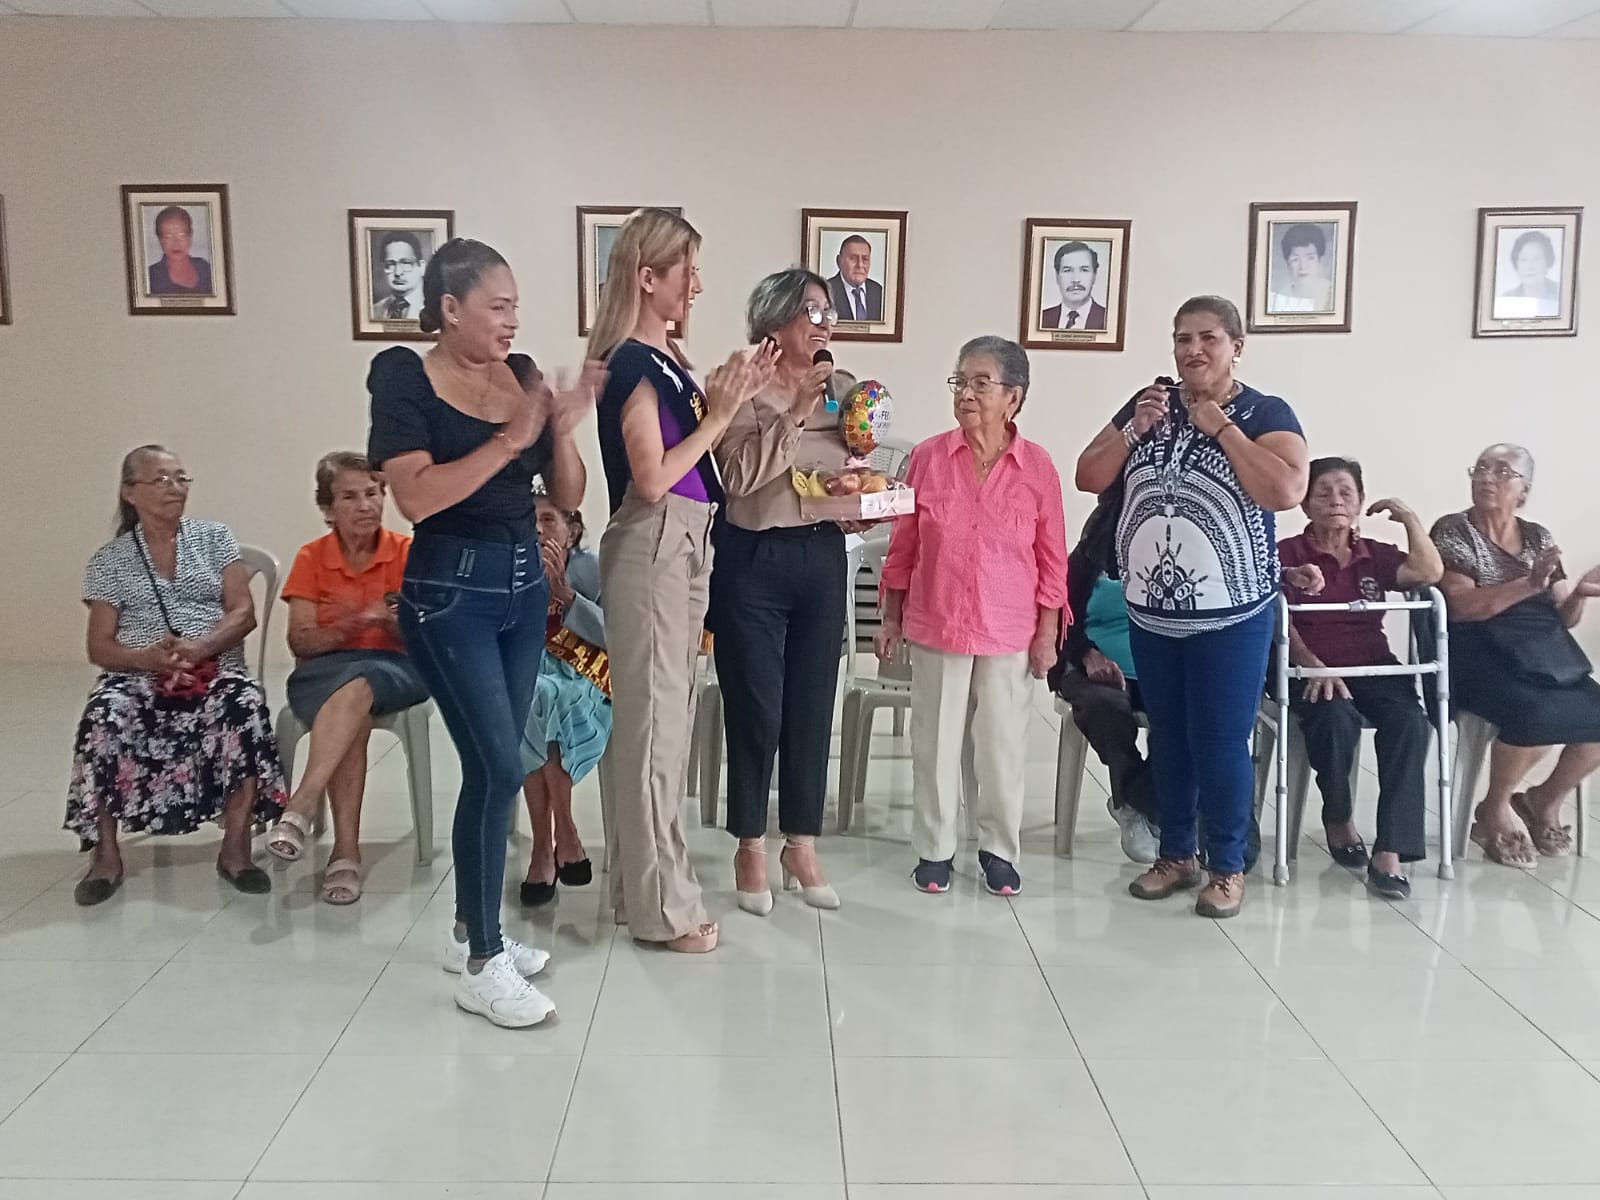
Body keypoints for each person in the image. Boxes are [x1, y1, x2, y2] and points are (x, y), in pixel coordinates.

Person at [367, 236, 600, 1028]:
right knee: (501, 766)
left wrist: (559, 428)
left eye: (515, 307)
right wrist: (510, 437)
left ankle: (473, 927)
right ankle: (483, 965)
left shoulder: (522, 374)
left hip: (522, 589)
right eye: (497, 307)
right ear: (450, 308)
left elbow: (567, 495)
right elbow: (416, 498)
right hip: (448, 595)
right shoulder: (403, 376)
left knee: (497, 765)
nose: (511, 321)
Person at [1076, 295, 1308, 919]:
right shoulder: (1149, 402)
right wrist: (1134, 429)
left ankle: (1226, 866)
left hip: (1232, 616)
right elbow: (1089, 475)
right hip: (1153, 612)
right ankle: (1175, 855)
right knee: (1170, 738)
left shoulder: (1265, 412)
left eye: (1208, 337)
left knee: (1221, 741)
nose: (1193, 350)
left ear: (1237, 346)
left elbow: (1287, 488)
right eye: (1183, 338)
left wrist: (1222, 429)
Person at [588, 207, 775, 953]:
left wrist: (736, 399)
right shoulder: (631, 362)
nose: (696, 286)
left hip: (687, 540)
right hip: (654, 540)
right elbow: (653, 476)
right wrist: (720, 411)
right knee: (655, 734)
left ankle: (637, 894)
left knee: (664, 726)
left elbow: (696, 457)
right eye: (685, 272)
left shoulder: (665, 357)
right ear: (647, 277)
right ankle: (663, 910)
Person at [879, 335, 1068, 896]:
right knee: (934, 744)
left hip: (1009, 629)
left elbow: (1052, 559)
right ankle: (935, 849)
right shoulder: (928, 458)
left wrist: (1048, 634)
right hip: (937, 621)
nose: (965, 393)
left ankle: (998, 851)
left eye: (981, 383)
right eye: (960, 382)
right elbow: (903, 546)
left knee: (1001, 747)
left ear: (1014, 397)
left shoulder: (1037, 467)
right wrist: (889, 617)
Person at [66, 445, 286, 906]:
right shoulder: (110, 560)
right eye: (162, 479)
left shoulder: (214, 538)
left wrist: (200, 648)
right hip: (138, 676)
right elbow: (99, 646)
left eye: (181, 478)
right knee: (103, 715)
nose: (175, 488)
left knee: (244, 706)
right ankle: (106, 858)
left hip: (214, 669)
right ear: (130, 492)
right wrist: (148, 659)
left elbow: (242, 612)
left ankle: (236, 852)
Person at [711, 268, 850, 917]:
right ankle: (750, 845)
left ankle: (802, 844)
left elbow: (851, 467)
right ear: (775, 320)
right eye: (812, 312)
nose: (824, 325)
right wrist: (794, 412)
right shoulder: (738, 382)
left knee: (812, 707)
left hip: (821, 555)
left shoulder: (842, 389)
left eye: (828, 313)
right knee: (757, 709)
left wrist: (858, 502)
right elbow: (737, 478)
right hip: (753, 559)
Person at [265, 452, 429, 905]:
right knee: (353, 704)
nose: (365, 506)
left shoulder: (408, 553)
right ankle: (344, 854)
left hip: (398, 669)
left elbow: (428, 637)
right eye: (350, 497)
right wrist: (355, 623)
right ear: (328, 507)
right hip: (323, 671)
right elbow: (301, 641)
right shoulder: (311, 557)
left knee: (359, 684)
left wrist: (391, 623)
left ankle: (301, 806)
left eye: (373, 494)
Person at [1277, 457, 1444, 899]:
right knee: (1334, 717)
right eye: (1323, 492)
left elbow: (1429, 573)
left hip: (1373, 665)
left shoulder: (1375, 554)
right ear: (1305, 504)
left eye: (1345, 492)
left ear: (1360, 502)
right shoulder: (1287, 554)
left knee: (1411, 723)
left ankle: (1390, 850)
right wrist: (1310, 662)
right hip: (1310, 667)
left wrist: (1409, 519)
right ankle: (1337, 817)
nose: (1335, 500)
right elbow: (1275, 618)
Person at [1430, 443, 1600, 869]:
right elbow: (1461, 608)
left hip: (1541, 654)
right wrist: (1528, 584)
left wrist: (1578, 594)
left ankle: (1543, 800)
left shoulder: (1538, 536)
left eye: (1502, 471)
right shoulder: (1453, 530)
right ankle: (1496, 808)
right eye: (1481, 468)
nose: (1488, 477)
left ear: (1524, 490)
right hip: (1476, 655)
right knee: (1535, 714)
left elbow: (1562, 618)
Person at [1048, 479, 1160, 864]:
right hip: (1093, 666)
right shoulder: (1089, 557)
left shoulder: (1177, 552)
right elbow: (1061, 616)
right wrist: (1087, 655)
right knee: (1105, 707)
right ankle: (1135, 809)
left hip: (1159, 666)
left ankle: (1141, 800)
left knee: (1187, 715)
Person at [518, 497, 608, 907]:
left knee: (547, 697)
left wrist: (567, 596)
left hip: (586, 675)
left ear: (571, 532)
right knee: (532, 695)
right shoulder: (512, 565)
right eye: (530, 520)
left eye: (548, 519)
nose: (537, 529)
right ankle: (562, 835)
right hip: (531, 671)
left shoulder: (595, 568)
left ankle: (545, 847)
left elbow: (619, 635)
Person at [1039, 241, 1108, 331]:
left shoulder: (1108, 319)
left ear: (1094, 275)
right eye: (1067, 270)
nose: (1076, 279)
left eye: (1084, 270)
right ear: (1057, 276)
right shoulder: (1042, 318)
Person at [1267, 223, 1334, 313]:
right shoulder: (1279, 298)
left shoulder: (1333, 293)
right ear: (1288, 264)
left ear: (1321, 260)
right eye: (1295, 259)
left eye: (1310, 258)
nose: (1303, 266)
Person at [147, 205, 213, 296]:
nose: (176, 243)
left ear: (190, 236)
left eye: (181, 236)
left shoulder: (205, 268)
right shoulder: (151, 276)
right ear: (160, 239)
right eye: (168, 237)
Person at [1494, 230, 1561, 318]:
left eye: (1536, 259)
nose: (1530, 266)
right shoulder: (1505, 300)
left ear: (1548, 262)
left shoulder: (1562, 294)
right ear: (1516, 264)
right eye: (1523, 260)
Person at [826, 235, 883, 322]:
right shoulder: (826, 291)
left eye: (865, 259)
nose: (860, 265)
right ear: (839, 261)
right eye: (853, 258)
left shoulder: (879, 292)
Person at [372, 231, 427, 321]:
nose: (398, 272)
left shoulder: (435, 306)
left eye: (406, 263)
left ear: (421, 267)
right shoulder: (375, 310)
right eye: (390, 264)